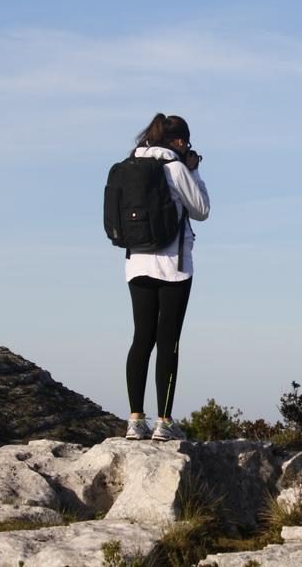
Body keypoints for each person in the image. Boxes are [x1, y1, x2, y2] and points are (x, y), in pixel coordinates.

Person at [123, 113, 209, 441]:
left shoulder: (132, 164)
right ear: (180, 141)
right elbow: (201, 209)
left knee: (141, 338)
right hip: (173, 265)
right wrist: (193, 169)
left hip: (136, 263)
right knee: (168, 341)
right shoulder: (175, 167)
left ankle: (134, 420)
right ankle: (164, 421)